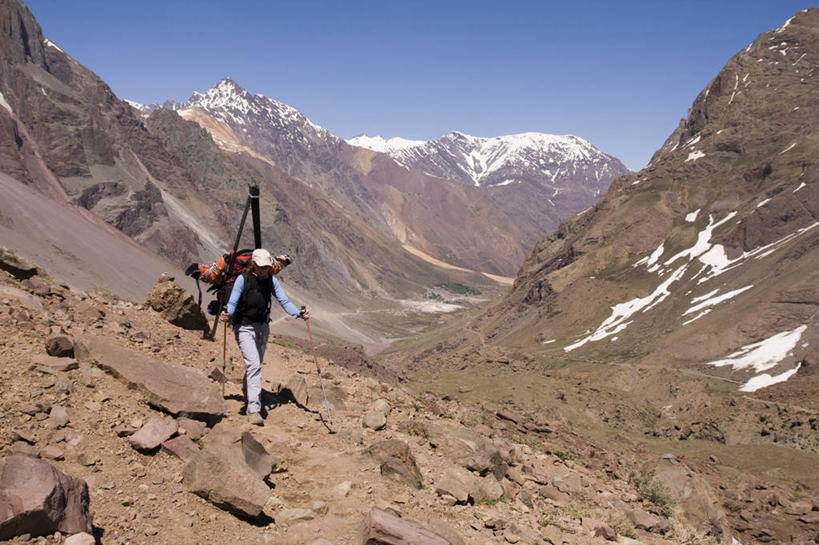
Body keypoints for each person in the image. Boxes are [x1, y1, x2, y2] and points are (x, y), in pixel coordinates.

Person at [221, 248, 308, 425]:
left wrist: (297, 314)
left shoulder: (270, 280)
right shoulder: (242, 280)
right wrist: (227, 313)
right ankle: (253, 409)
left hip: (262, 327)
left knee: (256, 364)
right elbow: (232, 302)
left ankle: (247, 389)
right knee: (254, 365)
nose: (263, 270)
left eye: (266, 267)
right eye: (260, 267)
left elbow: (283, 300)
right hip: (244, 326)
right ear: (254, 264)